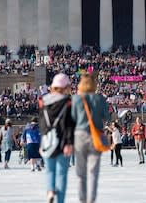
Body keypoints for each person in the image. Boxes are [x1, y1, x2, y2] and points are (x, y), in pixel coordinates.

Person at [71, 73, 110, 203]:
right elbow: (107, 117)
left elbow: (72, 119)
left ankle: (82, 199)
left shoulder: (76, 99)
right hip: (95, 135)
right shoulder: (100, 99)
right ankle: (91, 200)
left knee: (81, 172)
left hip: (80, 135)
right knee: (93, 171)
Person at [39, 73, 75, 203]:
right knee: (61, 174)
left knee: (49, 171)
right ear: (65, 87)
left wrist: (42, 142)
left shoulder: (43, 101)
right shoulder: (67, 102)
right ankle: (60, 200)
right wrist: (69, 143)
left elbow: (42, 123)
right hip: (62, 142)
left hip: (47, 141)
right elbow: (69, 124)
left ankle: (50, 191)